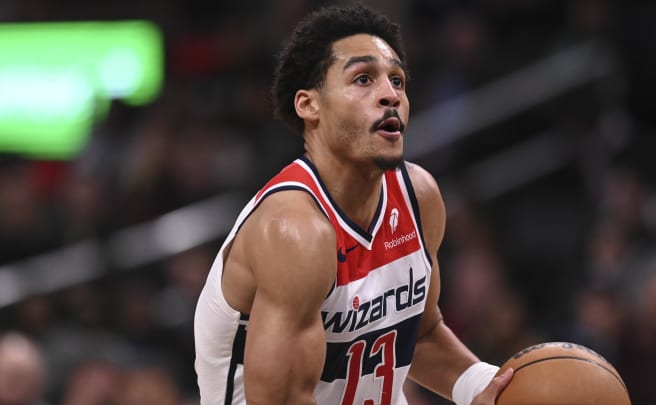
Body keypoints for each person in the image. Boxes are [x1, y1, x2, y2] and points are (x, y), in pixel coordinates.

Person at [193, 4, 513, 404]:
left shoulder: (419, 197)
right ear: (309, 105)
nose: (390, 95)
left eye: (397, 80)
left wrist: (483, 386)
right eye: (363, 79)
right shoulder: (294, 231)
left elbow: (420, 335)